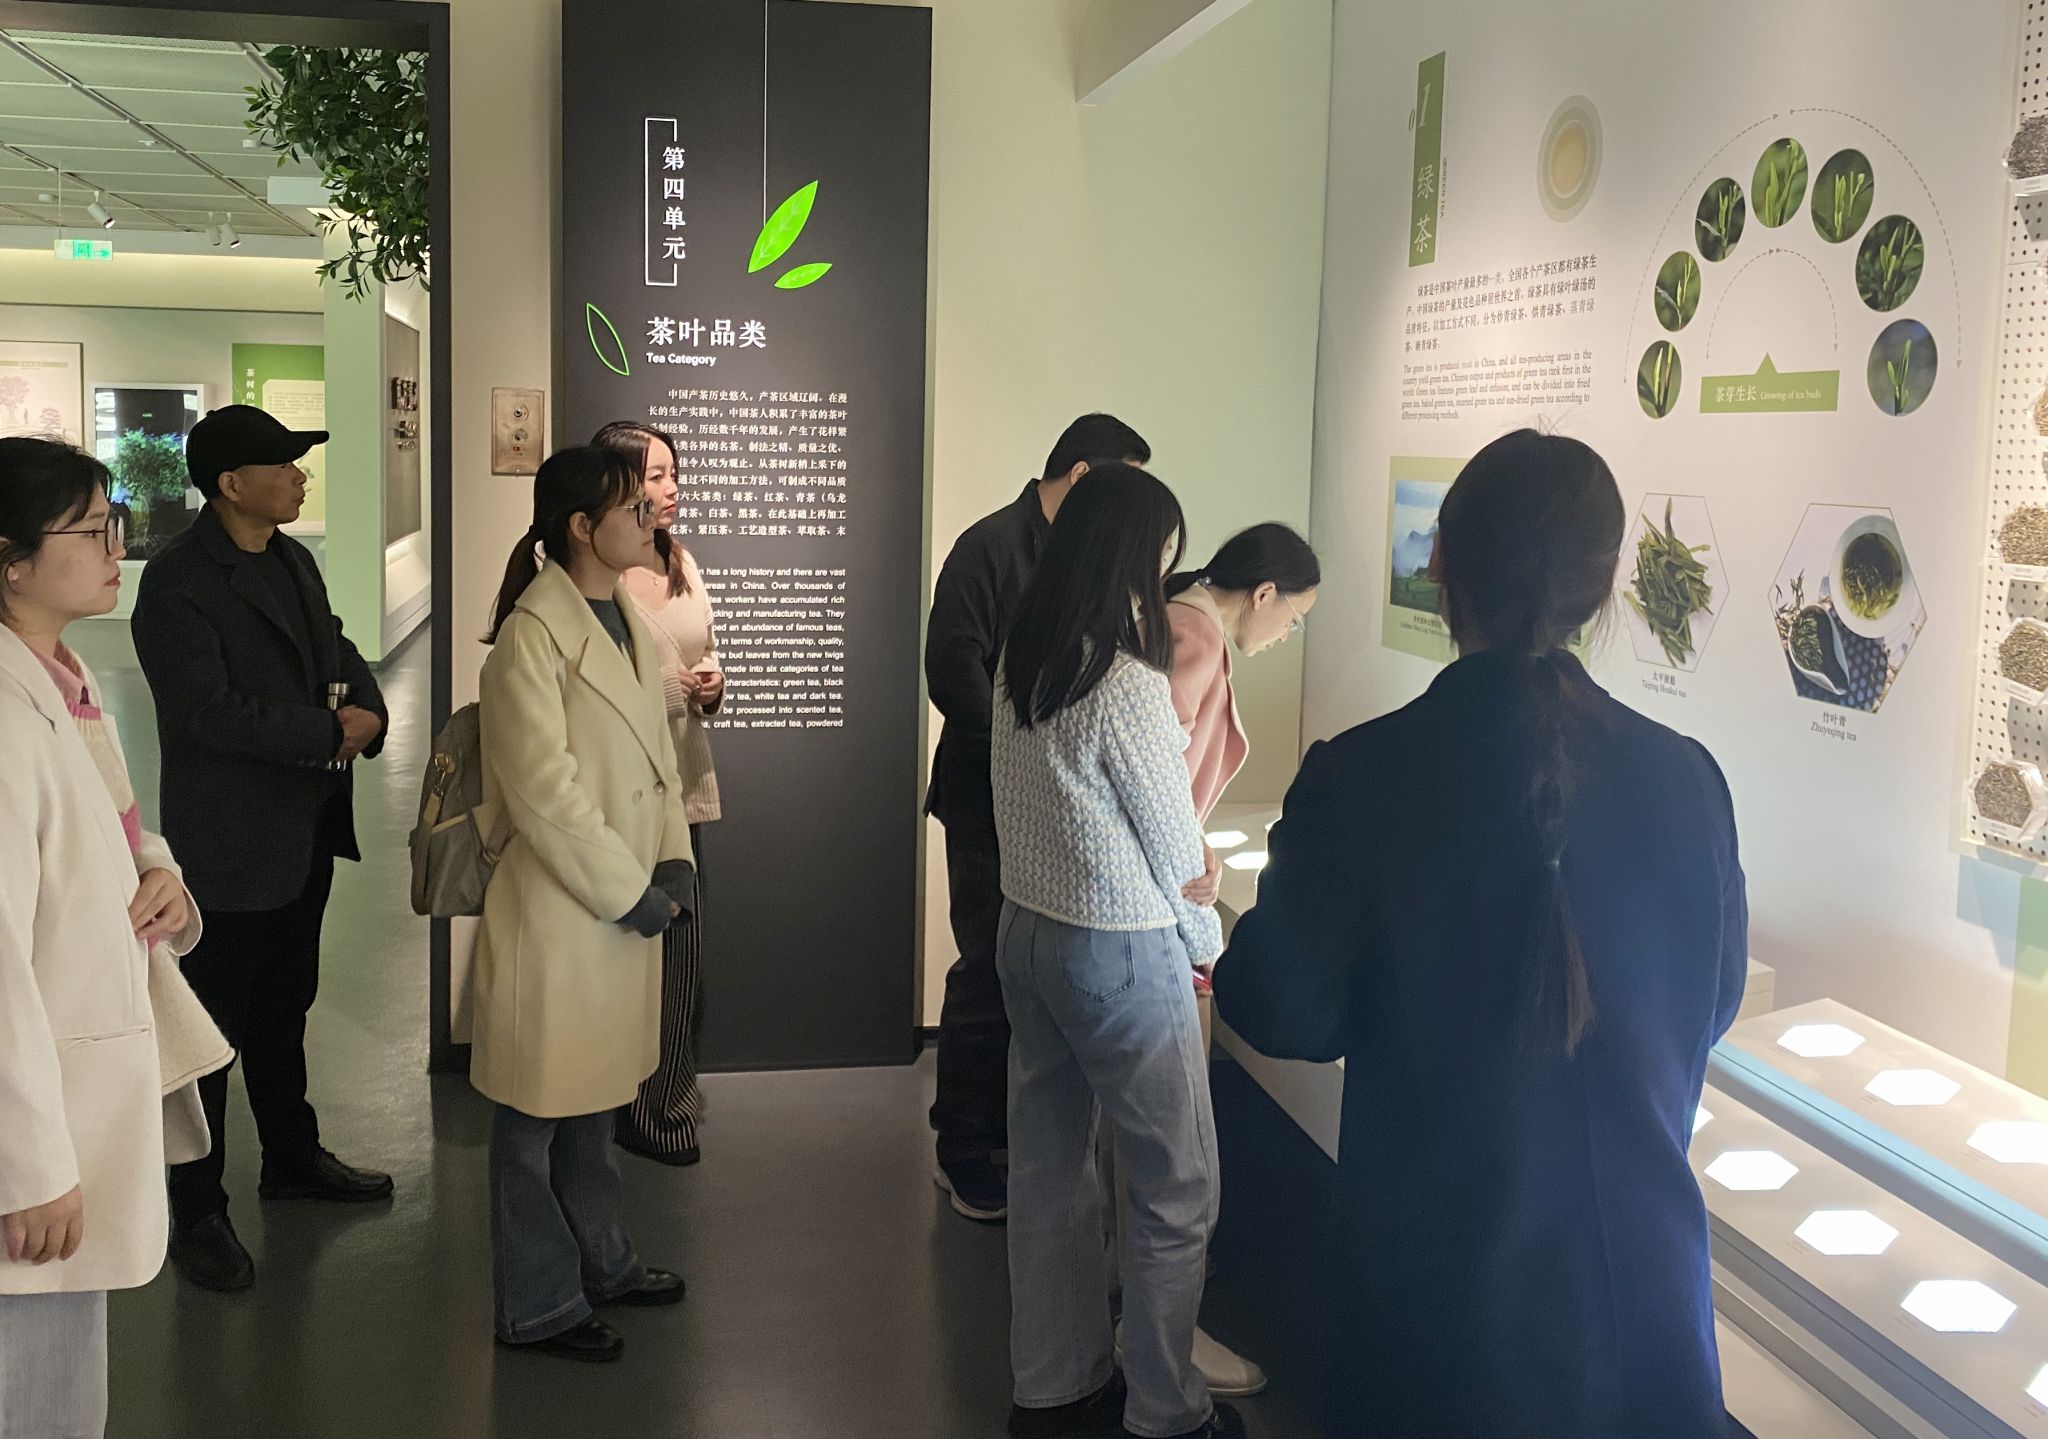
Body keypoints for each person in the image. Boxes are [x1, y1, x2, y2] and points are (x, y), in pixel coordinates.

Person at [1215, 431, 1747, 1439]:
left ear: (1440, 565)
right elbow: (1712, 1001)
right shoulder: (1688, 778)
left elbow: (1273, 1003)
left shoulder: (1361, 776)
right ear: (1604, 587)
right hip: (1647, 1319)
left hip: (1438, 1325)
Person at [991, 463, 1240, 1439]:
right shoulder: (1126, 681)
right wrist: (1206, 936)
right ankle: (1165, 1411)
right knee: (1177, 1187)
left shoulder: (1024, 656)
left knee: (1049, 1172)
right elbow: (1176, 847)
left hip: (1026, 934)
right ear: (1134, 555)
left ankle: (1053, 1390)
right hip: (1119, 951)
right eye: (1162, 553)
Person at [131, 404, 393, 1294]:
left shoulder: (291, 559)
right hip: (228, 841)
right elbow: (205, 711)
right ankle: (196, 1209)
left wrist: (369, 708)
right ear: (231, 484)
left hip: (301, 826)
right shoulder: (178, 582)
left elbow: (337, 645)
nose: (298, 475)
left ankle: (291, 1155)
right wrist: (327, 731)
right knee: (210, 1034)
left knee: (285, 1005)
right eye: (283, 465)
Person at [0, 438, 225, 1437]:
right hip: (34, 1135)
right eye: (92, 531)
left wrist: (160, 875)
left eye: (114, 525)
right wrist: (28, 1165)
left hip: (77, 1099)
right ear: (10, 559)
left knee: (62, 1385)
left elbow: (115, 823)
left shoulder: (63, 677)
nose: (116, 549)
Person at [473, 445, 696, 1363]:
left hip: (618, 904)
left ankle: (603, 1260)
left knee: (593, 1108)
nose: (653, 519)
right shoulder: (532, 636)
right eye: (634, 508)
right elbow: (544, 794)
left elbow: (659, 760)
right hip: (562, 916)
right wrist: (628, 887)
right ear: (580, 526)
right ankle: (536, 1304)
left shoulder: (627, 619)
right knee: (533, 1121)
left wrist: (673, 858)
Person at [1092, 521, 1320, 1405]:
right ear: (1262, 594)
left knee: (1135, 1149)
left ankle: (1133, 1322)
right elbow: (1154, 782)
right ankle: (1164, 1347)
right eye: (1292, 618)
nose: (1287, 635)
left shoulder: (1172, 618)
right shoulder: (1193, 635)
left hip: (1126, 908)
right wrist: (1196, 887)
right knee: (1177, 1161)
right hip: (1154, 913)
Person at [925, 412, 1151, 1221]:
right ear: (1083, 476)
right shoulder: (989, 546)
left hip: (1054, 800)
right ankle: (961, 1146)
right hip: (984, 795)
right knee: (987, 966)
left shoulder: (1078, 554)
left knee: (1029, 973)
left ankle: (1013, 1139)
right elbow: (949, 668)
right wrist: (1029, 745)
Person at [592, 421, 724, 1167]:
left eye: (674, 473)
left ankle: (665, 1100)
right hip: (616, 795)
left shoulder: (680, 559)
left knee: (680, 958)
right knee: (618, 955)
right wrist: (675, 689)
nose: (672, 488)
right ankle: (614, 1100)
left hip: (681, 784)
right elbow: (594, 691)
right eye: (655, 475)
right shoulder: (589, 574)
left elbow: (707, 650)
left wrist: (711, 687)